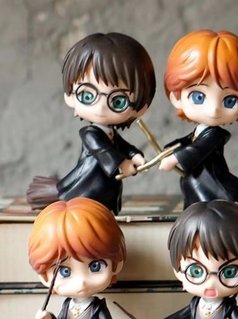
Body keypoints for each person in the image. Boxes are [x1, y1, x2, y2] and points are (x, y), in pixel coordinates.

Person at [159, 29, 238, 212]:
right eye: (198, 97)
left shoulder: (216, 135)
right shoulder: (200, 132)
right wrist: (171, 149)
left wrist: (175, 158)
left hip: (212, 187)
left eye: (229, 100)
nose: (214, 110)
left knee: (207, 214)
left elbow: (198, 149)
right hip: (199, 185)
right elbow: (190, 142)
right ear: (176, 97)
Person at [27, 32, 156, 214]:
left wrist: (134, 155)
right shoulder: (90, 134)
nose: (101, 107)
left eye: (118, 101)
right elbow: (103, 150)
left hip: (105, 188)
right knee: (89, 213)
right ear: (70, 96)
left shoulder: (111, 134)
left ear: (141, 107)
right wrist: (123, 164)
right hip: (87, 188)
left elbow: (122, 146)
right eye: (87, 95)